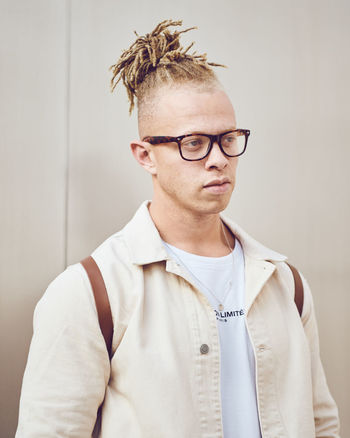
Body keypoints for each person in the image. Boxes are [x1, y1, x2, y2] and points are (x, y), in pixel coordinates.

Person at [16, 19, 340, 437]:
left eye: (228, 138)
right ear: (145, 155)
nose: (218, 158)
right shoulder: (91, 291)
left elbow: (321, 423)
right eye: (193, 143)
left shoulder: (283, 281)